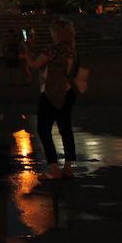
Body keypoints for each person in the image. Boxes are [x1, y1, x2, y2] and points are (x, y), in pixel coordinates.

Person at [26, 19, 80, 179]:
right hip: (69, 91)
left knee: (44, 129)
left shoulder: (53, 49)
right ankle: (69, 167)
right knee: (65, 128)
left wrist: (27, 52)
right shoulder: (71, 50)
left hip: (51, 92)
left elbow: (34, 65)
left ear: (55, 33)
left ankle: (54, 168)